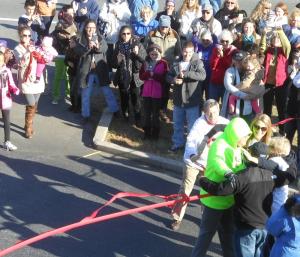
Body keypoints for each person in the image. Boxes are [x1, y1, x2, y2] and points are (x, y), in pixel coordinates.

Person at [198, 157, 297, 257]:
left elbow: (220, 190)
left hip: (246, 228)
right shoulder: (272, 175)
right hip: (263, 227)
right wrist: (289, 161)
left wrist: (202, 180)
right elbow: (290, 176)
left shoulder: (243, 176)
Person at [191, 117, 251, 257]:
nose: (247, 139)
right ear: (236, 135)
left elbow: (240, 165)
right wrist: (228, 172)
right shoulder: (220, 144)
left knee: (228, 234)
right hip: (214, 201)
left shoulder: (237, 147)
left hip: (228, 199)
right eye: (245, 136)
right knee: (206, 235)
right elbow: (218, 161)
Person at [170, 99, 229, 231]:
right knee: (185, 189)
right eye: (209, 113)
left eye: (214, 113)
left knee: (207, 192)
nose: (212, 116)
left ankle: (205, 219)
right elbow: (191, 140)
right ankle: (177, 217)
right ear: (204, 113)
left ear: (219, 110)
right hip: (193, 162)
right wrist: (192, 155)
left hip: (210, 164)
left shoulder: (225, 123)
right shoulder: (199, 124)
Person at [73, 19, 119, 123]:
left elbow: (104, 49)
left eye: (93, 27)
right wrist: (87, 47)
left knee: (107, 91)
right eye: (88, 27)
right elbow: (78, 52)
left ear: (96, 28)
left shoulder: (100, 37)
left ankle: (115, 109)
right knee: (86, 94)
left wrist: (97, 47)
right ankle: (85, 115)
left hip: (99, 70)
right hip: (86, 71)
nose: (91, 30)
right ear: (85, 28)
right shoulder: (79, 39)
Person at [167, 41, 206, 152]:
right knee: (177, 124)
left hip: (192, 100)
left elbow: (203, 76)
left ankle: (191, 147)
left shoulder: (198, 62)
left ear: (193, 51)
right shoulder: (176, 62)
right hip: (178, 99)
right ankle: (177, 143)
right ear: (182, 51)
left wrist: (186, 74)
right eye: (185, 52)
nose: (187, 55)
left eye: (189, 52)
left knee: (192, 126)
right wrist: (174, 80)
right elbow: (168, 76)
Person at [144, 15, 182, 122]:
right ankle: (151, 110)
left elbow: (178, 52)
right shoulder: (151, 34)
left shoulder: (174, 34)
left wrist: (175, 67)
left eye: (166, 27)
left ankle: (162, 111)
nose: (164, 29)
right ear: (159, 25)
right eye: (162, 27)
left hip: (168, 68)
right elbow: (145, 48)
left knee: (165, 90)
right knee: (154, 89)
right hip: (154, 67)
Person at [14, 26, 45, 139]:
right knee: (31, 103)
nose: (27, 37)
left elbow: (41, 59)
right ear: (20, 36)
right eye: (24, 35)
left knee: (35, 103)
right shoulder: (17, 48)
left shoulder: (34, 46)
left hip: (36, 79)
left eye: (29, 35)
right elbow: (20, 63)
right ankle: (28, 127)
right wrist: (28, 52)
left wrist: (43, 52)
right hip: (26, 79)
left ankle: (29, 123)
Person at [260, 27, 291, 135]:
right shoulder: (268, 50)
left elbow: (287, 45)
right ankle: (266, 129)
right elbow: (261, 48)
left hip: (281, 84)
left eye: (278, 39)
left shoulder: (284, 52)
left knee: (281, 108)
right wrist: (264, 35)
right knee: (267, 109)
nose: (276, 40)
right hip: (268, 83)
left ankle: (283, 131)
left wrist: (280, 32)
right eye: (274, 38)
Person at [112, 25, 145, 123]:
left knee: (136, 97)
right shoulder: (118, 45)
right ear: (120, 35)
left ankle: (137, 118)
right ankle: (125, 114)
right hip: (122, 75)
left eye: (128, 33)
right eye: (123, 34)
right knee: (124, 96)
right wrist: (117, 61)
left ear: (131, 34)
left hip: (135, 76)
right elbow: (113, 64)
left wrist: (137, 54)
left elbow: (143, 63)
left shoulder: (138, 45)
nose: (126, 36)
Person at [139, 44, 168, 139]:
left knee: (155, 114)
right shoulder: (146, 63)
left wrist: (154, 75)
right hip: (147, 92)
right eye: (152, 54)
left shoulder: (164, 63)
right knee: (147, 113)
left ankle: (155, 133)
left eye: (156, 54)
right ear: (149, 54)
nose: (154, 56)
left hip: (157, 93)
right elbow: (141, 76)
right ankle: (146, 132)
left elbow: (165, 78)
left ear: (160, 54)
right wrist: (148, 74)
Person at [51, 4, 77, 105]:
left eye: (72, 13)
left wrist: (70, 36)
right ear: (63, 13)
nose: (71, 15)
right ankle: (55, 95)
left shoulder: (74, 24)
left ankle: (68, 93)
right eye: (68, 13)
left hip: (70, 55)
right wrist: (60, 36)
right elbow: (54, 35)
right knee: (58, 76)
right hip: (60, 55)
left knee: (68, 75)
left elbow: (75, 36)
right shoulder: (60, 24)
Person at [98, 0, 131, 72]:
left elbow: (128, 16)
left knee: (120, 54)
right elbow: (101, 15)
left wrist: (117, 14)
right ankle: (109, 72)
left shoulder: (124, 3)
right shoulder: (107, 3)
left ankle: (119, 73)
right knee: (108, 55)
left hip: (121, 35)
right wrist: (110, 17)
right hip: (109, 34)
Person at [209, 29, 236, 102]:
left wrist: (222, 57)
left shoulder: (233, 51)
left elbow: (230, 66)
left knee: (225, 105)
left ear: (230, 41)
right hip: (215, 81)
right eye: (222, 41)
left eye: (226, 41)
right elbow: (212, 65)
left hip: (227, 83)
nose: (224, 43)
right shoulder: (216, 49)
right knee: (212, 103)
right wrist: (217, 56)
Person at [0, 52, 20, 151]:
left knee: (7, 120)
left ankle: (7, 142)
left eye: (1, 59)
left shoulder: (6, 70)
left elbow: (11, 83)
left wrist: (15, 89)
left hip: (5, 98)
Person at [193, 30, 216, 100]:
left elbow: (216, 41)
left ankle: (208, 109)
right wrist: (195, 34)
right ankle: (199, 109)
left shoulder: (213, 47)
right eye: (203, 40)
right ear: (201, 39)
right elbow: (194, 40)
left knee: (209, 96)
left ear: (211, 40)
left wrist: (213, 34)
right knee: (198, 95)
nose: (205, 42)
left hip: (209, 76)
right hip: (199, 75)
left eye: (207, 40)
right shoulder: (198, 46)